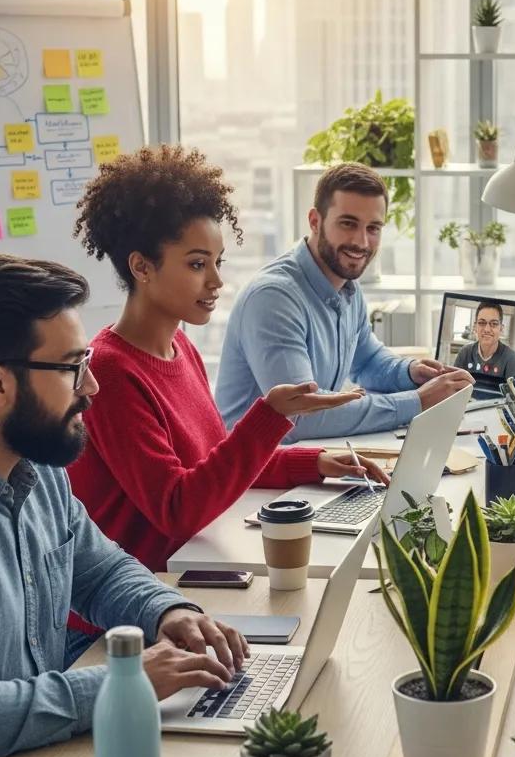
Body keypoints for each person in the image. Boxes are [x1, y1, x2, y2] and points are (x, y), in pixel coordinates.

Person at [67, 146, 387, 601]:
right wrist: (269, 416)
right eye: (197, 264)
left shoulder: (180, 347)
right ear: (141, 267)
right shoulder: (111, 373)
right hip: (139, 606)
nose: (216, 281)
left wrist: (312, 463)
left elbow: (213, 459)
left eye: (218, 262)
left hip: (190, 576)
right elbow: (177, 508)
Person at [0, 254, 248, 757]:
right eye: (70, 369)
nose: (91, 387)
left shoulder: (41, 473)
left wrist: (168, 610)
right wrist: (121, 683)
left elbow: (101, 571)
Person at [215, 162, 473, 440]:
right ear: (315, 221)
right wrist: (418, 401)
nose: (361, 242)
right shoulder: (274, 298)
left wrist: (412, 373)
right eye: (348, 224)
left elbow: (366, 362)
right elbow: (303, 415)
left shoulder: (347, 287)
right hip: (256, 475)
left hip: (309, 458)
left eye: (373, 228)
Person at [452, 300, 515, 380]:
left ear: (501, 329)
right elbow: (455, 387)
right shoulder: (465, 353)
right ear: (475, 327)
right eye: (482, 323)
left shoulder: (510, 358)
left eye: (494, 324)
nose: (487, 329)